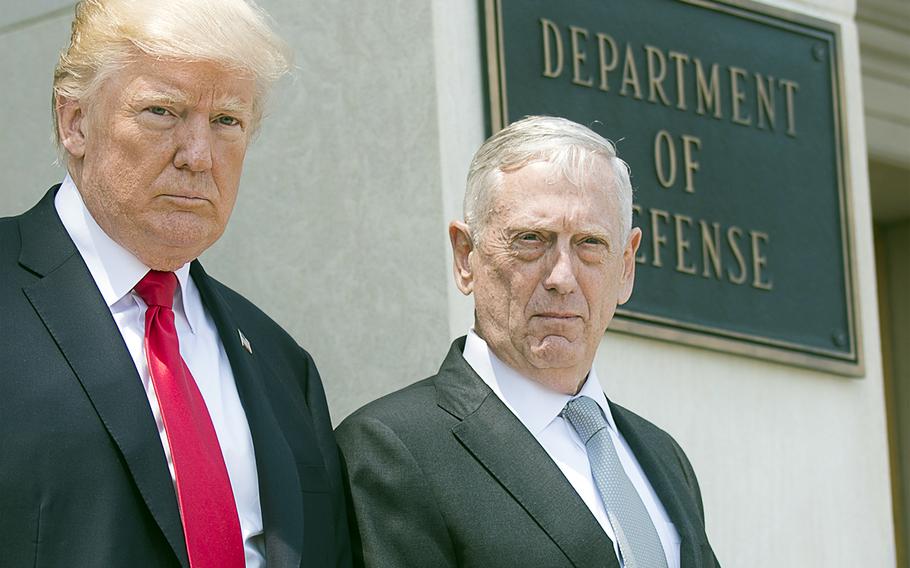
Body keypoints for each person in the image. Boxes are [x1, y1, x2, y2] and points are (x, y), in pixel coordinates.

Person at [0, 1, 350, 566]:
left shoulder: (285, 367)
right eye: (162, 111)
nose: (199, 156)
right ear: (75, 122)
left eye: (226, 121)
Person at [336, 115, 720, 567]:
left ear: (627, 267)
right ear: (466, 256)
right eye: (531, 240)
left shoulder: (662, 457)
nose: (562, 277)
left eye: (590, 243)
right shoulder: (391, 448)